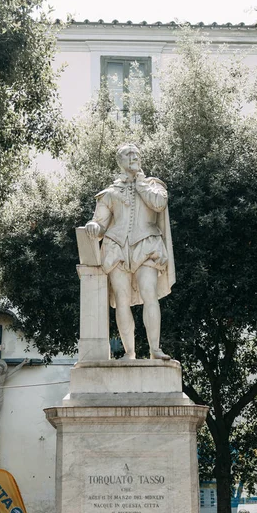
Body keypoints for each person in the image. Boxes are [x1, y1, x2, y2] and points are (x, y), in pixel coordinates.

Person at [85, 143, 175, 361]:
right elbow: (100, 223)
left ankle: (155, 349)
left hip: (146, 244)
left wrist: (140, 183)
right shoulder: (110, 192)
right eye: (128, 154)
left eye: (136, 153)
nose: (134, 156)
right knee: (122, 299)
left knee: (149, 292)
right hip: (116, 247)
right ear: (120, 161)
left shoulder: (154, 185)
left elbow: (159, 203)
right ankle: (129, 352)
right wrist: (94, 227)